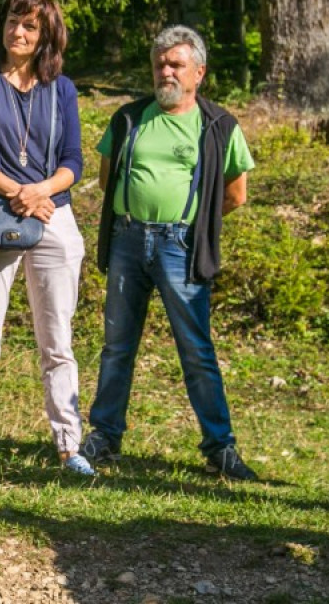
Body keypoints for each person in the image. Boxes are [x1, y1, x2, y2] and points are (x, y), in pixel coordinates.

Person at [80, 25, 259, 481]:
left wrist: (193, 227)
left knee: (196, 349)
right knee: (117, 347)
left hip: (180, 246)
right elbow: (107, 179)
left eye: (176, 64)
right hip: (126, 241)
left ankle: (220, 447)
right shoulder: (128, 118)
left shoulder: (218, 125)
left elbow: (235, 194)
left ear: (198, 72)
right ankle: (104, 437)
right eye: (160, 63)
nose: (166, 72)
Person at [0, 0, 95, 477]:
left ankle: (68, 444)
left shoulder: (63, 90)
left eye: (30, 27)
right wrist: (18, 191)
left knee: (57, 340)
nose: (18, 32)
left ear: (44, 37)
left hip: (53, 215)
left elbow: (73, 161)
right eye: (14, 21)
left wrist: (41, 193)